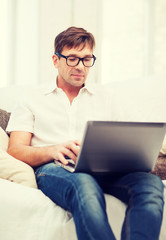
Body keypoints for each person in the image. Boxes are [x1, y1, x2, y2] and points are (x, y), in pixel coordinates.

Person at [7, 27, 164, 240]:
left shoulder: (108, 97)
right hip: (55, 169)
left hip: (106, 169)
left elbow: (128, 139)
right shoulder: (31, 98)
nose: (81, 66)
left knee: (151, 186)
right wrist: (53, 150)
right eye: (72, 59)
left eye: (87, 59)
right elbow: (15, 150)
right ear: (56, 60)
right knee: (85, 186)